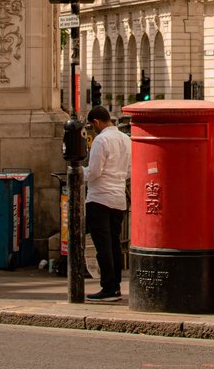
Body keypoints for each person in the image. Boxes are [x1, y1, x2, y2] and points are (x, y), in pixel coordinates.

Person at [83, 105, 131, 302]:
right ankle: (116, 286)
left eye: (91, 126)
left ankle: (108, 288)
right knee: (114, 245)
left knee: (102, 246)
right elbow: (130, 170)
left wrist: (78, 172)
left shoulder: (101, 140)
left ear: (96, 122)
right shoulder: (126, 139)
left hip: (99, 198)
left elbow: (94, 171)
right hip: (118, 199)